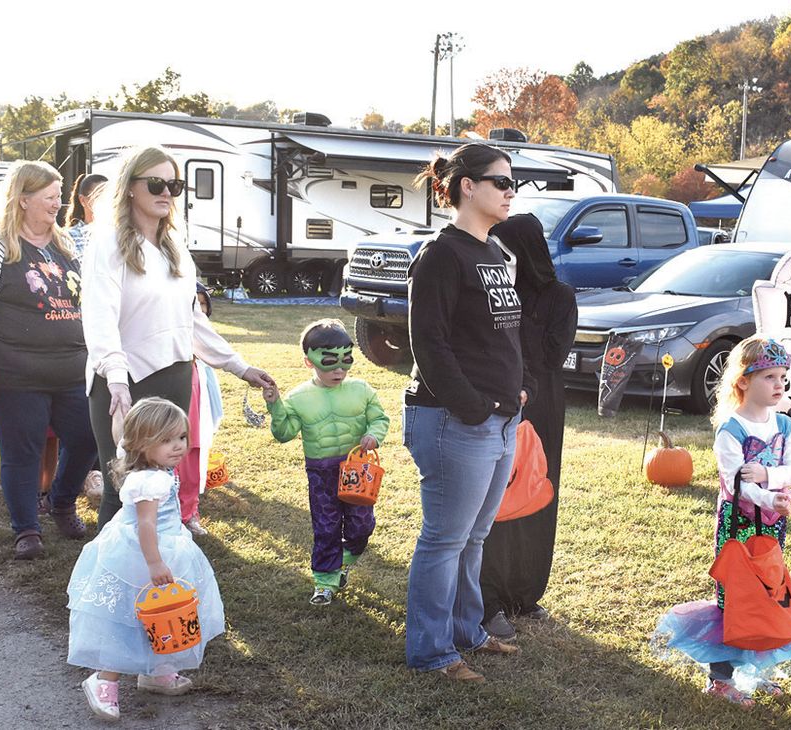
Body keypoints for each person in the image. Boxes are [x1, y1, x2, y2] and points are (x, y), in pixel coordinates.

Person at [81, 146, 274, 529]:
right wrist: (116, 379)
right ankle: (111, 584)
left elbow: (192, 321)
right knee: (123, 491)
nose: (166, 192)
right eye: (156, 183)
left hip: (174, 378)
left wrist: (238, 366)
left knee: (162, 487)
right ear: (130, 188)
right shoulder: (108, 245)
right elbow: (99, 319)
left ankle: (161, 582)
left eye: (175, 185)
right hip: (123, 383)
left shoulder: (175, 249)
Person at [404, 143, 526, 682]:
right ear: (466, 187)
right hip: (455, 419)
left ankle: (466, 631)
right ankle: (431, 652)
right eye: (500, 182)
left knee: (475, 537)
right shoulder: (440, 255)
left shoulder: (497, 253)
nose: (510, 192)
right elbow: (429, 346)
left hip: (501, 419)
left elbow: (497, 338)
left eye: (512, 183)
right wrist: (474, 408)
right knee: (445, 538)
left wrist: (518, 392)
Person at [653, 336, 791, 706]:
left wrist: (768, 477)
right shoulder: (731, 430)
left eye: (783, 377)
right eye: (769, 377)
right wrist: (769, 497)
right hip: (737, 526)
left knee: (767, 590)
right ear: (743, 382)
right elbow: (735, 482)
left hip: (772, 524)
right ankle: (720, 678)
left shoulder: (783, 424)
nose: (780, 384)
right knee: (733, 597)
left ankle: (759, 668)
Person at [0, 160, 97, 559]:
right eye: (50, 197)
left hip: (72, 368)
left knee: (88, 436)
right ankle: (26, 530)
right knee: (23, 451)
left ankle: (62, 501)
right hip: (15, 373)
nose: (58, 203)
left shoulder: (65, 243)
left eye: (58, 195)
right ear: (22, 200)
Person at [66, 397, 225, 722]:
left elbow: (120, 436)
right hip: (142, 554)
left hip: (160, 547)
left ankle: (156, 670)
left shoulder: (141, 461)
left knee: (162, 612)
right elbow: (146, 524)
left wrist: (119, 405)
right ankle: (103, 680)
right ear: (142, 443)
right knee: (130, 616)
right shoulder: (150, 480)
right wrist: (154, 563)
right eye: (166, 440)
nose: (178, 446)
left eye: (181, 437)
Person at [479, 213, 577, 640]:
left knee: (536, 492)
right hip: (501, 401)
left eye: (507, 251)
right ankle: (491, 595)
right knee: (498, 500)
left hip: (542, 403)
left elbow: (552, 356)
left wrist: (515, 340)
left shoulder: (559, 296)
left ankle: (527, 590)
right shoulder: (496, 292)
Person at [262, 318, 390, 605]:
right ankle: (324, 581)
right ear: (309, 362)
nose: (339, 371)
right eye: (331, 364)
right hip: (321, 472)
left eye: (345, 363)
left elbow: (380, 418)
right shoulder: (298, 398)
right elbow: (283, 434)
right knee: (326, 525)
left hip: (357, 470)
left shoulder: (362, 390)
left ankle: (343, 559)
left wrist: (373, 434)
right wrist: (275, 405)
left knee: (361, 526)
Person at [175, 284, 225, 536]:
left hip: (192, 383)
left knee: (192, 449)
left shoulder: (201, 332)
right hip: (165, 383)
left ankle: (189, 512)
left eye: (202, 304)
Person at [64, 173, 107, 257]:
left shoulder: (121, 233)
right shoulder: (69, 237)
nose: (105, 201)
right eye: (98, 196)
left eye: (109, 196)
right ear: (82, 200)